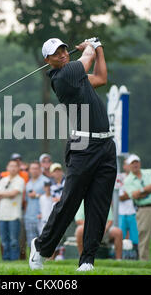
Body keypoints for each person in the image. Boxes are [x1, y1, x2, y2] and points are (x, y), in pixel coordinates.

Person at [30, 37, 117, 272]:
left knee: (99, 205)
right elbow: (86, 59)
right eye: (56, 54)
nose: (63, 54)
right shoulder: (62, 76)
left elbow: (101, 78)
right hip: (83, 145)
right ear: (48, 60)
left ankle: (87, 260)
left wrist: (99, 49)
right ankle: (40, 247)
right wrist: (91, 45)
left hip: (106, 145)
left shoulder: (76, 76)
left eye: (64, 50)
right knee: (70, 202)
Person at [124, 154, 151, 262]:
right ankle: (144, 261)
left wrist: (141, 191)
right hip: (143, 209)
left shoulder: (149, 172)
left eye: (136, 162)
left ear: (140, 163)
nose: (135, 164)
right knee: (144, 237)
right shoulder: (128, 180)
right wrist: (146, 189)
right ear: (129, 166)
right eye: (133, 163)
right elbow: (134, 195)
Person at [0, 159, 25, 260]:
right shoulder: (3, 180)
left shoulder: (20, 180)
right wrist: (7, 194)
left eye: (14, 166)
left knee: (13, 240)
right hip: (2, 215)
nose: (12, 168)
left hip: (14, 215)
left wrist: (2, 194)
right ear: (7, 168)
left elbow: (14, 194)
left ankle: (14, 260)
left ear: (18, 168)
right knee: (4, 240)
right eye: (10, 166)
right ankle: (5, 259)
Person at [24, 161, 49, 247]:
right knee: (31, 242)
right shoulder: (28, 183)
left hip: (41, 216)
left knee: (43, 241)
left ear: (40, 169)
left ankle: (44, 260)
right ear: (29, 170)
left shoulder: (46, 181)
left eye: (36, 168)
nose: (34, 170)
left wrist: (37, 195)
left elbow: (50, 197)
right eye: (32, 168)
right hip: (29, 217)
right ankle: (32, 260)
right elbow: (26, 200)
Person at [117, 159, 138, 258]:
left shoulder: (136, 177)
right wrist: (133, 193)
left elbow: (138, 194)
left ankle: (135, 257)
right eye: (127, 164)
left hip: (133, 212)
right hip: (121, 212)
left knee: (135, 239)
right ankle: (121, 257)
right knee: (120, 238)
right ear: (124, 166)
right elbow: (119, 196)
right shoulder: (120, 177)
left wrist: (132, 194)